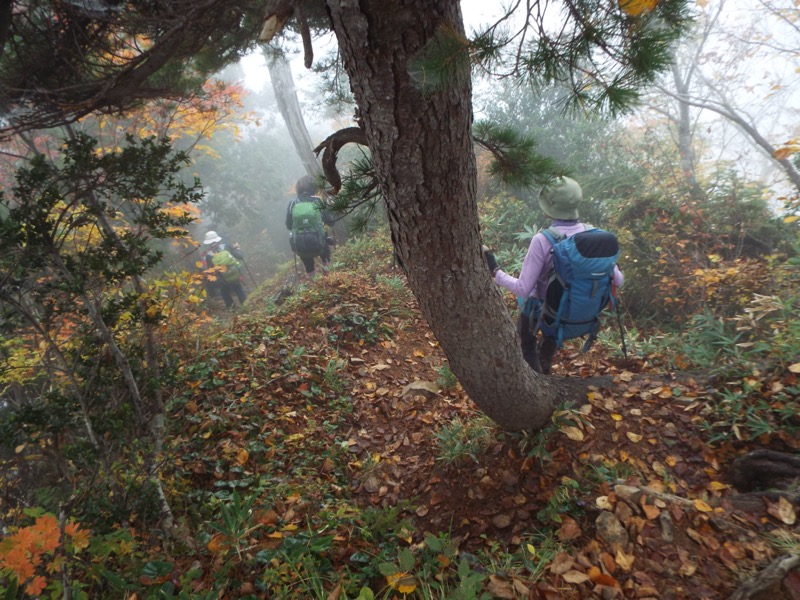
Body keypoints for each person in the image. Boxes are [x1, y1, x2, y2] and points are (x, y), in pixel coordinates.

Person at [483, 176, 624, 374]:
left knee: (526, 336)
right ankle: (546, 364)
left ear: (548, 208)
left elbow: (522, 288)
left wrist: (495, 271)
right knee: (548, 344)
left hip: (544, 312)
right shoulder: (593, 236)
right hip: (572, 316)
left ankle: (536, 384)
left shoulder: (542, 240)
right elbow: (618, 280)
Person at [286, 175, 335, 279]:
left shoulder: (292, 203)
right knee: (325, 252)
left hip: (301, 247)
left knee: (308, 264)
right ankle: (328, 279)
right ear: (314, 187)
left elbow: (289, 225)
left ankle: (314, 284)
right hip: (319, 244)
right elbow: (331, 222)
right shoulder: (318, 201)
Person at [200, 230, 247, 309]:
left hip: (222, 279)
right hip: (234, 274)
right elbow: (240, 257)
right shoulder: (227, 246)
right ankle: (246, 305)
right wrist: (238, 248)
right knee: (238, 288)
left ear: (208, 243)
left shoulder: (209, 255)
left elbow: (211, 270)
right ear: (218, 239)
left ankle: (232, 309)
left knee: (224, 292)